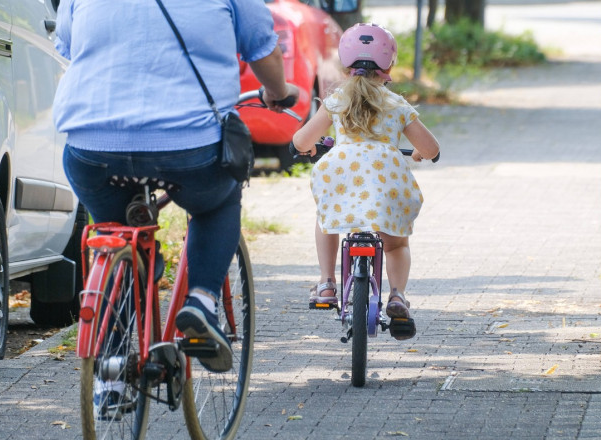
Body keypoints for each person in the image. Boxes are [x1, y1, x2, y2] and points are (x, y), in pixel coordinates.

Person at [53, 0, 299, 379]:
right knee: (218, 202)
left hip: (92, 149)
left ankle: (112, 368)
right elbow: (262, 48)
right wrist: (279, 92)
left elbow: (70, 47)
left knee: (114, 231)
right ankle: (201, 302)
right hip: (190, 148)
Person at [291, 23, 440, 340]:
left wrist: (303, 148)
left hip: (342, 173)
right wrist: (417, 154)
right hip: (386, 175)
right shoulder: (397, 105)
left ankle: (326, 283)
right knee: (396, 242)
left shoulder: (335, 103)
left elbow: (302, 139)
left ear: (345, 65)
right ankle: (397, 295)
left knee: (327, 218)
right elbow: (431, 148)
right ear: (388, 65)